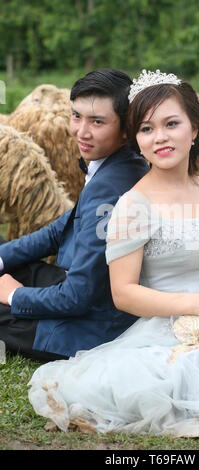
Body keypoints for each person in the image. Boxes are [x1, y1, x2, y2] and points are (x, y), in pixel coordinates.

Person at [28, 70, 199, 443]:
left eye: (171, 124)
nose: (160, 137)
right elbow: (124, 293)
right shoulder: (131, 206)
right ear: (136, 140)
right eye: (146, 128)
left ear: (195, 130)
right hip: (172, 324)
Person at [0, 69, 149, 361]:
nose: (81, 131)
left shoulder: (111, 189)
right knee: (14, 265)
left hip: (87, 327)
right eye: (76, 116)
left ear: (125, 128)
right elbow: (61, 230)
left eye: (97, 122)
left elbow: (77, 297)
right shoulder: (121, 164)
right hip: (89, 290)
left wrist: (14, 295)